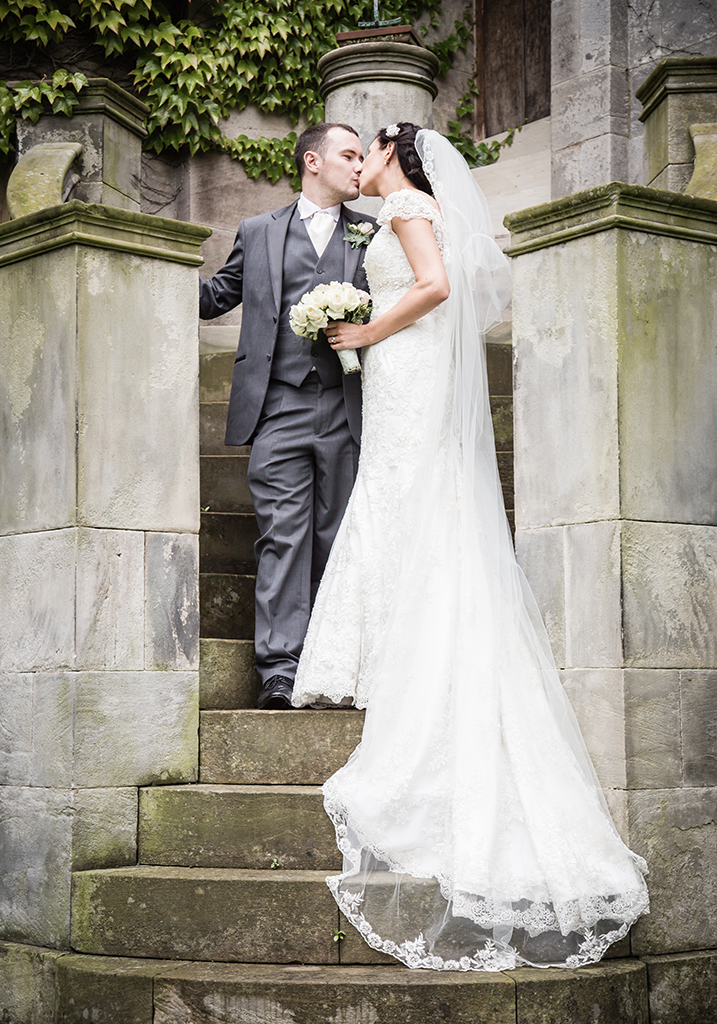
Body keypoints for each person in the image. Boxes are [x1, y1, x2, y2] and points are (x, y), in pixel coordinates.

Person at [291, 123, 649, 971]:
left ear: (396, 159)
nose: (360, 162)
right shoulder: (411, 204)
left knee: (405, 499)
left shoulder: (410, 204)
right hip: (402, 374)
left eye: (369, 150)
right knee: (400, 500)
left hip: (405, 367)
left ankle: (402, 654)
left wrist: (367, 333)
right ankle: (390, 647)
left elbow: (437, 284)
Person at [199, 124, 376, 709]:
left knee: (336, 538)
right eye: (348, 155)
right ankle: (279, 667)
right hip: (276, 409)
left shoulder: (371, 236)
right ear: (312, 161)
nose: (359, 167)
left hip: (348, 407)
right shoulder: (258, 231)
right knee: (281, 537)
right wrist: (146, 269)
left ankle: (331, 662)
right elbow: (215, 294)